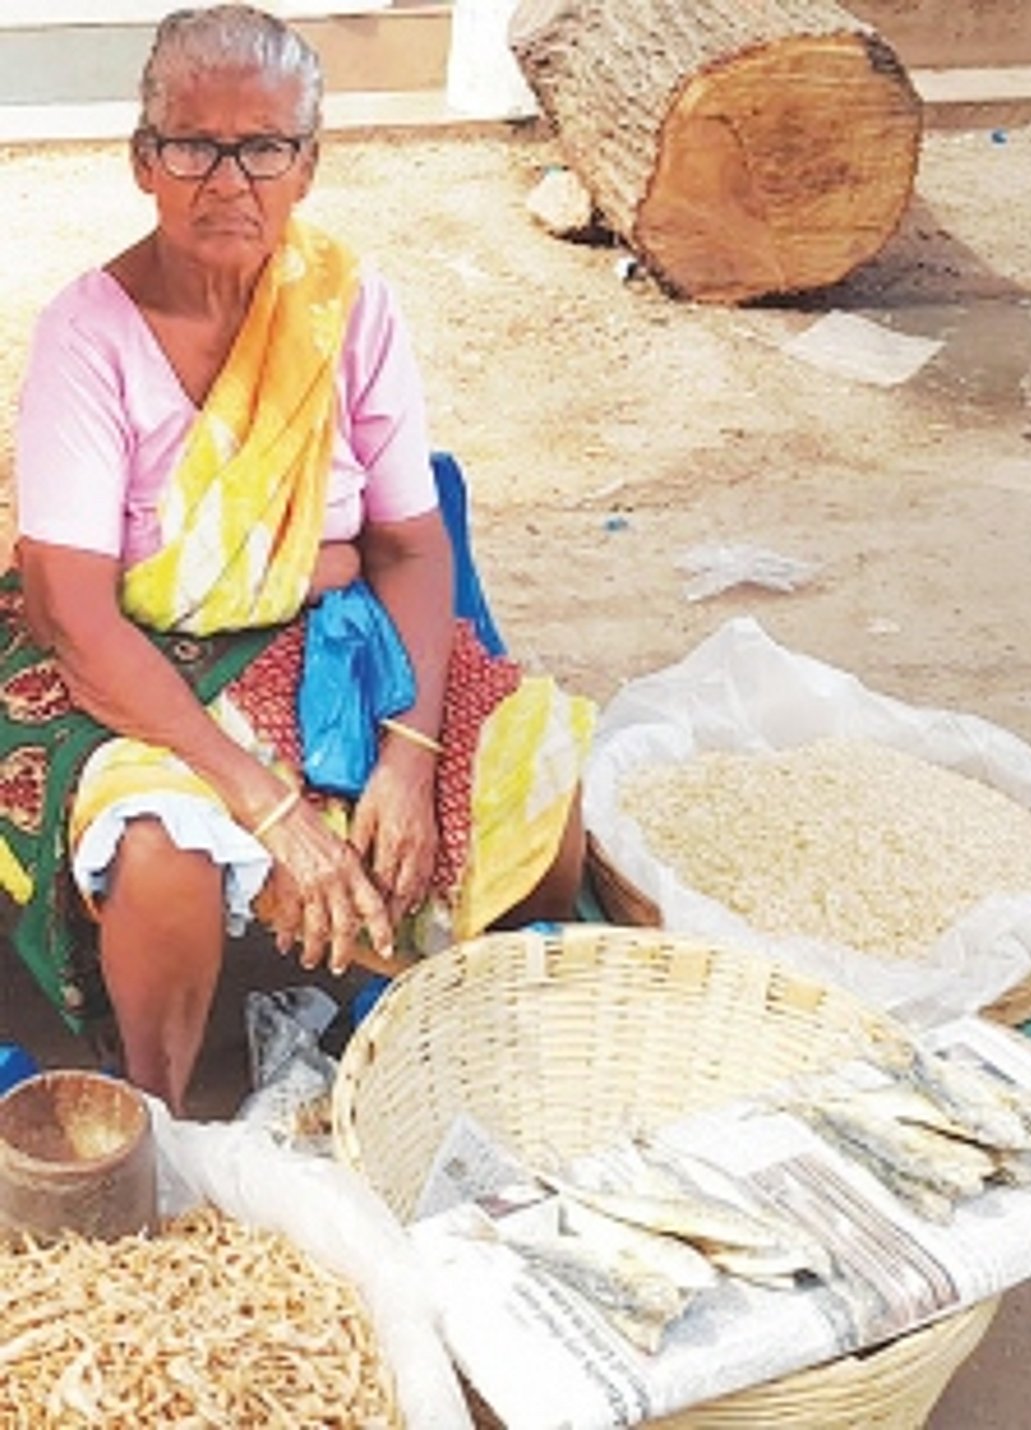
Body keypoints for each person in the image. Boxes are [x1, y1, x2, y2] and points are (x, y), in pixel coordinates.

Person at [0, 4, 594, 1113]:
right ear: (144, 162)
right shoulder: (90, 335)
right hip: (145, 663)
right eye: (193, 144)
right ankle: (164, 1112)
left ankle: (449, 1057)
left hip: (332, 638)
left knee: (540, 792)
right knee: (160, 860)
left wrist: (412, 749)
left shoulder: (346, 307)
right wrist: (266, 806)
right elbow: (76, 611)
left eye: (264, 147)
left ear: (309, 167)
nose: (229, 180)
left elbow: (416, 541)